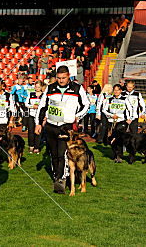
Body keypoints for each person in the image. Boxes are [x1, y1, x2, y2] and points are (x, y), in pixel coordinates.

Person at [35, 66, 89, 194]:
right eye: (58, 78)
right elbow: (42, 106)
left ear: (69, 76)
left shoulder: (77, 88)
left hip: (66, 127)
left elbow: (86, 105)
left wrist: (77, 116)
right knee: (53, 154)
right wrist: (38, 123)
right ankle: (56, 175)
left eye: (63, 78)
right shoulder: (50, 88)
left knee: (63, 154)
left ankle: (61, 179)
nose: (61, 80)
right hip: (51, 126)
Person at [102, 84, 133, 163]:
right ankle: (115, 154)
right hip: (111, 121)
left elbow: (130, 109)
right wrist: (112, 115)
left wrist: (129, 118)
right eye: (115, 90)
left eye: (118, 90)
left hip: (121, 121)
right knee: (111, 139)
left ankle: (119, 156)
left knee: (118, 139)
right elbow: (104, 110)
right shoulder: (109, 99)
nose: (116, 92)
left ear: (121, 91)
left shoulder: (125, 99)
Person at [25, 80, 43, 154]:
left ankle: (37, 147)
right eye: (36, 86)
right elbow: (26, 103)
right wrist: (32, 106)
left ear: (41, 87)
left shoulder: (44, 95)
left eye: (39, 87)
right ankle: (31, 145)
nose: (37, 88)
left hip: (40, 116)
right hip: (32, 115)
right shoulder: (31, 94)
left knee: (38, 131)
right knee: (31, 131)